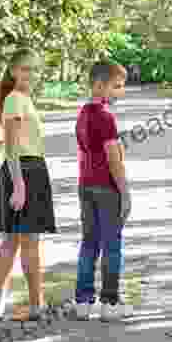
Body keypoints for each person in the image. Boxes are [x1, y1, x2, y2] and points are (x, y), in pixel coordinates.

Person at [0, 48, 57, 322]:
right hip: (23, 171)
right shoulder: (15, 100)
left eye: (34, 69)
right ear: (13, 71)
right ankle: (35, 303)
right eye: (25, 69)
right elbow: (12, 145)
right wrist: (19, 184)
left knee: (16, 240)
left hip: (30, 170)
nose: (31, 74)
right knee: (24, 241)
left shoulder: (22, 99)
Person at [74, 61, 132, 322]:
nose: (120, 92)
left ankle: (83, 302)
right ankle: (109, 302)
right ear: (99, 85)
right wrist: (125, 191)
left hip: (85, 185)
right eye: (116, 86)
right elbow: (112, 158)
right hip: (106, 188)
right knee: (111, 245)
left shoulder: (83, 113)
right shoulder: (105, 116)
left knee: (89, 243)